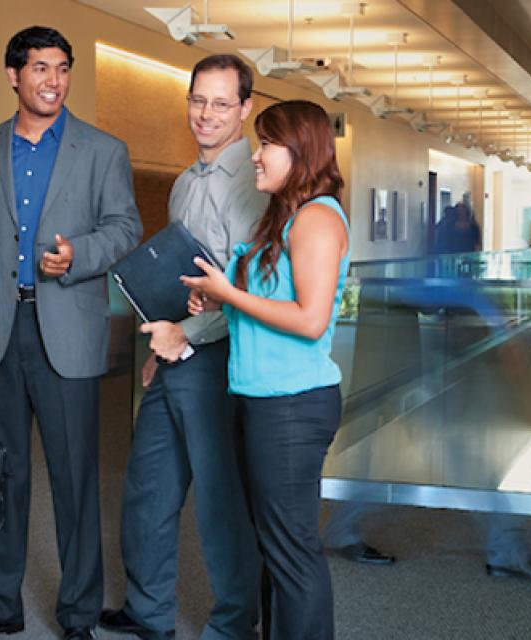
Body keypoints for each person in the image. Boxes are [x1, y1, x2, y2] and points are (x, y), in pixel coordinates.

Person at [0, 26, 142, 640]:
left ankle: (78, 615)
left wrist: (77, 254)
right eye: (40, 69)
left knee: (76, 481)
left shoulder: (102, 150)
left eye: (62, 68)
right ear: (14, 76)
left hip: (68, 332)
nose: (53, 80)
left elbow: (126, 229)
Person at [99, 55, 264, 640]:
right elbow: (183, 279)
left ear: (246, 108)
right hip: (172, 355)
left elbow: (243, 289)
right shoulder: (183, 183)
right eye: (198, 100)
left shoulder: (253, 182)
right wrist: (158, 344)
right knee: (148, 488)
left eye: (222, 103)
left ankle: (233, 624)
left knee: (220, 504)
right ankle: (148, 611)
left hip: (218, 359)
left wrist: (184, 337)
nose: (206, 114)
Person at [183, 100, 350, 640]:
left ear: (299, 151)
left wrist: (229, 292)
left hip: (292, 407)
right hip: (260, 400)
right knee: (272, 548)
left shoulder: (319, 219)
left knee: (293, 552)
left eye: (266, 145)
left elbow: (309, 319)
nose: (256, 156)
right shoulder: (285, 217)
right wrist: (218, 302)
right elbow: (265, 305)